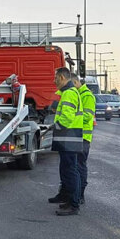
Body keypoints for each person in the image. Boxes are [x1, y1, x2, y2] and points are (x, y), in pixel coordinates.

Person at [48, 68, 83, 216]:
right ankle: (68, 199)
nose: (54, 81)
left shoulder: (69, 93)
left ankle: (73, 204)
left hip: (69, 138)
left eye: (56, 78)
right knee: (67, 170)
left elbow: (67, 118)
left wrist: (54, 126)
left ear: (62, 77)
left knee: (70, 171)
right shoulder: (69, 92)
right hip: (69, 138)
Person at [71, 73, 95, 206]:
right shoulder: (78, 94)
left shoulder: (87, 96)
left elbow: (87, 117)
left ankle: (80, 195)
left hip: (83, 137)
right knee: (74, 166)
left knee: (80, 166)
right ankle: (75, 194)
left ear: (75, 83)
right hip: (75, 135)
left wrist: (70, 117)